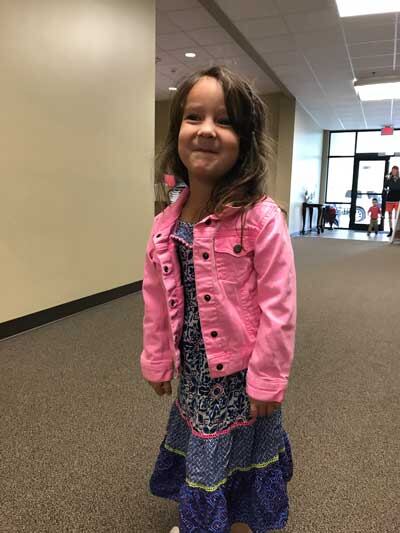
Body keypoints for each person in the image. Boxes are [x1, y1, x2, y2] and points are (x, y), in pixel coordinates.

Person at [140, 66, 296, 533]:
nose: (207, 129)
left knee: (241, 459)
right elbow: (154, 297)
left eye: (224, 121)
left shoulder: (260, 218)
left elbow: (279, 306)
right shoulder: (165, 224)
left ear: (245, 140)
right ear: (177, 133)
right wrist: (157, 358)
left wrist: (267, 379)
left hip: (243, 374)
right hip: (194, 370)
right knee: (203, 452)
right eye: (194, 117)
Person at [382, 165, 400, 237]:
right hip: (389, 199)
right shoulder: (389, 178)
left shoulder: (399, 179)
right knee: (390, 216)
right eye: (392, 171)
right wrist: (387, 179)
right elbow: (385, 186)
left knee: (397, 216)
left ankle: (396, 231)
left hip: (397, 200)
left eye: (395, 171)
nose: (393, 172)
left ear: (397, 171)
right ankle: (391, 230)